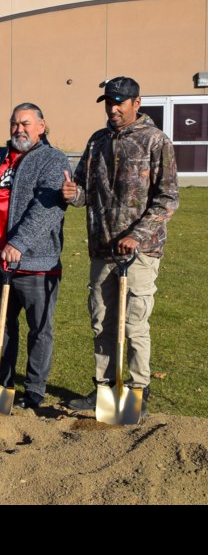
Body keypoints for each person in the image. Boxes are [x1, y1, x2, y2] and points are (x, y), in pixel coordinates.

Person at [62, 77, 179, 415]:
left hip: (139, 254)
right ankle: (104, 388)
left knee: (134, 324)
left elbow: (168, 199)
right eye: (108, 102)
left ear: (136, 103)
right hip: (102, 249)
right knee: (101, 321)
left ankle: (138, 389)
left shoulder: (155, 142)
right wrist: (74, 196)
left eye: (120, 102)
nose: (113, 108)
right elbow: (84, 190)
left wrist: (137, 236)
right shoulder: (97, 141)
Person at [0, 103, 70, 409]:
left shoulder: (52, 159)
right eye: (14, 123)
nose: (18, 129)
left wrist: (19, 242)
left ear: (41, 126)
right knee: (2, 326)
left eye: (25, 123)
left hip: (35, 262)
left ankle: (34, 388)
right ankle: (3, 382)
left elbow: (48, 207)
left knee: (40, 328)